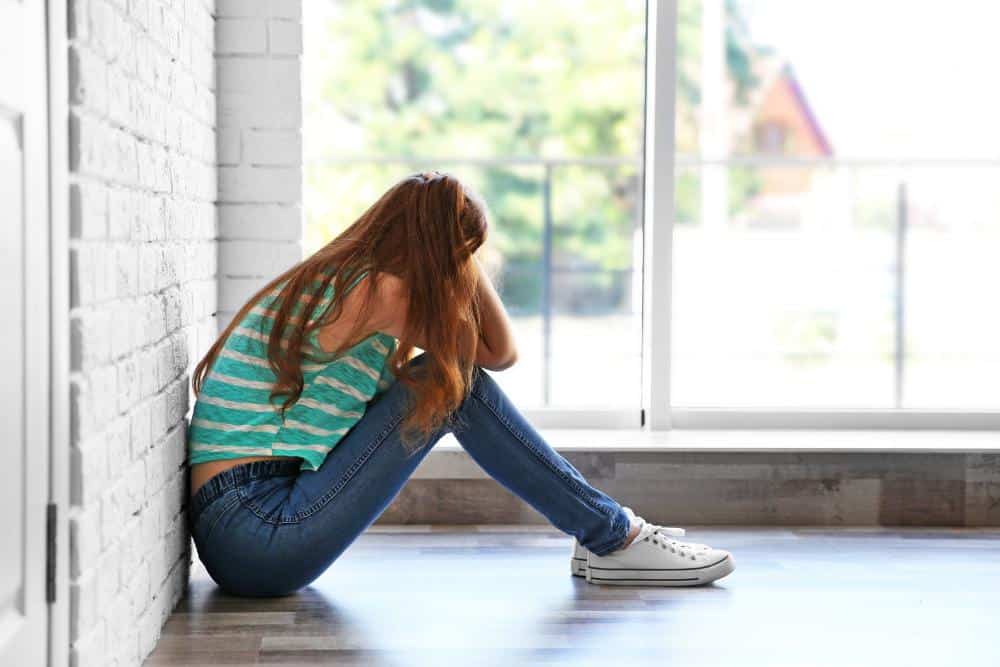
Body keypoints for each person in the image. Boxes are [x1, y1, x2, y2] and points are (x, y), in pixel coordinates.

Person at [186, 171, 734, 597]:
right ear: (432, 250)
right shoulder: (379, 291)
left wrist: (451, 243)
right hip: (255, 531)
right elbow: (499, 354)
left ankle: (605, 536)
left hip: (244, 526)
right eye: (458, 253)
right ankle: (614, 538)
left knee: (447, 379)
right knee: (455, 385)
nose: (463, 266)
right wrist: (460, 252)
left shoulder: (350, 278)